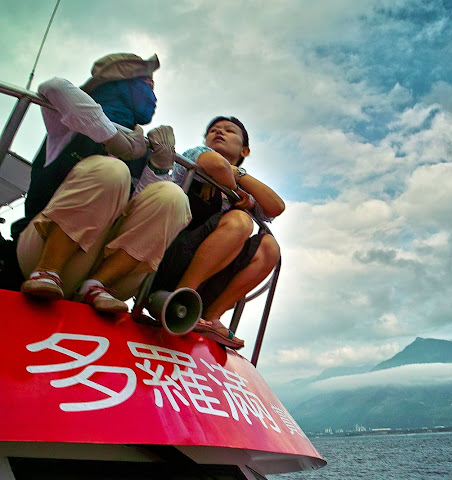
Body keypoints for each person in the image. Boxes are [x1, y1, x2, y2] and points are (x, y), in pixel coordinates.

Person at [11, 53, 191, 313]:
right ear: (119, 82)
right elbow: (54, 87)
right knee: (112, 170)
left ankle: (97, 284)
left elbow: (133, 217)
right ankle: (48, 271)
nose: (154, 97)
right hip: (39, 253)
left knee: (173, 196)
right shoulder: (68, 125)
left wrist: (159, 167)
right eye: (147, 85)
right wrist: (110, 135)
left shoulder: (143, 148)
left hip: (106, 277)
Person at [151, 116, 284, 349]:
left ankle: (212, 315)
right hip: (169, 258)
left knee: (269, 247)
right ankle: (180, 297)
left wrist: (239, 178)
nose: (219, 132)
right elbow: (217, 166)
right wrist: (237, 193)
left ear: (245, 150)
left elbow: (276, 207)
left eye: (229, 130)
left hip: (211, 274)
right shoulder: (196, 157)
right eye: (213, 130)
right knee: (241, 221)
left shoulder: (242, 185)